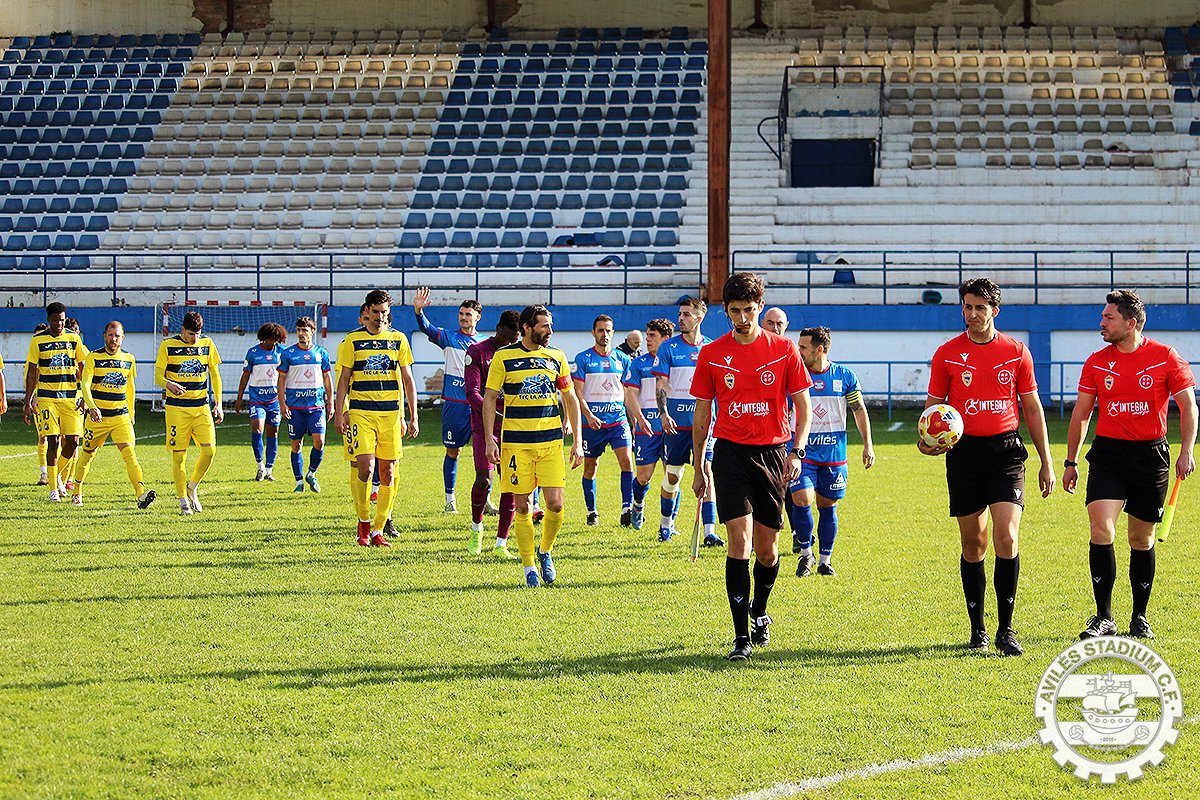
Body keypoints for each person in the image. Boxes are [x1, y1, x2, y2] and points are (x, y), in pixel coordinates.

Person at [921, 278, 1055, 656]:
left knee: (1006, 537)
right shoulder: (947, 353)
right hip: (964, 454)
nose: (973, 314)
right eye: (967, 306)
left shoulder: (1016, 351)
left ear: (995, 311)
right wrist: (928, 439)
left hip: (1005, 452)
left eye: (980, 307)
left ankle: (1006, 630)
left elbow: (1031, 408)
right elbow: (934, 409)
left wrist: (1046, 461)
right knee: (973, 543)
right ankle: (978, 628)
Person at [691, 272, 813, 661]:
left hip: (774, 455)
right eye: (734, 311)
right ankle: (741, 637)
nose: (742, 318)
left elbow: (804, 405)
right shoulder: (712, 354)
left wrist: (797, 450)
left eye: (748, 310)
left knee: (767, 551)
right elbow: (701, 413)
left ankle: (760, 610)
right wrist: (699, 465)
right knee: (739, 545)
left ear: (760, 307)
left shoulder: (784, 350)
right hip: (730, 454)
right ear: (725, 311)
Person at [1063, 290, 1197, 641]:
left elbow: (1188, 406)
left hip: (1151, 455)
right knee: (1101, 528)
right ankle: (1104, 617)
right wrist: (1071, 460)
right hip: (1108, 454)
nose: (1102, 323)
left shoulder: (1166, 357)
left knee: (1141, 537)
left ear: (1131, 322)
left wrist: (1187, 450)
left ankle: (1139, 616)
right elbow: (1082, 413)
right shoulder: (1096, 362)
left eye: (1109, 318)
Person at [483, 305, 584, 587]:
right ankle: (529, 566)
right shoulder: (504, 358)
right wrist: (490, 439)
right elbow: (490, 398)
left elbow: (570, 398)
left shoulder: (557, 357)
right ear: (527, 328)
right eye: (544, 326)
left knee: (555, 503)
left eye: (550, 326)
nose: (549, 331)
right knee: (523, 507)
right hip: (516, 446)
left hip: (551, 443)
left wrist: (577, 440)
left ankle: (545, 551)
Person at [334, 289, 419, 547]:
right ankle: (363, 522)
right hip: (361, 413)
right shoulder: (352, 341)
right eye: (375, 312)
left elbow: (407, 379)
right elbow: (344, 379)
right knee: (366, 468)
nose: (380, 317)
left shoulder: (398, 339)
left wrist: (413, 416)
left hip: (391, 415)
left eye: (384, 312)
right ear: (366, 312)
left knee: (389, 472)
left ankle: (379, 529)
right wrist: (340, 412)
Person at [790, 327, 875, 577]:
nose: (799, 351)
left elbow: (859, 410)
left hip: (834, 456)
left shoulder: (845, 376)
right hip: (802, 453)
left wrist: (867, 444)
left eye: (803, 347)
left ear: (819, 349)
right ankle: (806, 554)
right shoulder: (795, 376)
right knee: (802, 499)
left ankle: (824, 561)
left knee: (828, 506)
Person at [653, 297, 720, 545]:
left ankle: (710, 532)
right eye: (680, 314)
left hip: (705, 425)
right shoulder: (668, 348)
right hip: (676, 425)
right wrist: (663, 413)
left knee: (707, 472)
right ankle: (665, 524)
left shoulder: (712, 349)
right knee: (673, 476)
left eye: (687, 314)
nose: (681, 318)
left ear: (699, 318)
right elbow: (661, 385)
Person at [413, 287, 487, 513]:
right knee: (453, 451)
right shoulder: (449, 337)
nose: (464, 318)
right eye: (461, 314)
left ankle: (486, 500)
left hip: (480, 406)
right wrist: (418, 310)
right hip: (455, 405)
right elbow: (426, 328)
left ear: (478, 317)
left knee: (486, 453)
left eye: (468, 314)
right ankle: (449, 500)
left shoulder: (486, 343)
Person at [71, 321, 156, 509]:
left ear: (122, 338)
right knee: (87, 455)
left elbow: (130, 388)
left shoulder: (128, 359)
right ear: (104, 336)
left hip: (121, 416)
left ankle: (140, 495)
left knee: (130, 454)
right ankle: (77, 491)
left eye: (117, 335)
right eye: (110, 335)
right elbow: (85, 384)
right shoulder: (94, 357)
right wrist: (92, 407)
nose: (113, 339)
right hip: (97, 417)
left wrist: (132, 413)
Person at [463, 310, 521, 558]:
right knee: (484, 480)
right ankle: (477, 529)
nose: (510, 343)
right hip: (484, 425)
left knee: (510, 482)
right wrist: (492, 413)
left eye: (514, 339)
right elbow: (472, 391)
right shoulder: (477, 352)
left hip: (512, 427)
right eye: (507, 337)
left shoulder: (517, 355)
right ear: (498, 329)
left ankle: (501, 543)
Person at [156, 310, 225, 515]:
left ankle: (192, 486)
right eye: (190, 334)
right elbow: (158, 376)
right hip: (177, 409)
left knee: (209, 451)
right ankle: (182, 500)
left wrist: (218, 403)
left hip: (201, 407)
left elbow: (215, 375)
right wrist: (169, 384)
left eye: (198, 334)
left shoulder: (207, 344)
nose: (194, 338)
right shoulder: (168, 345)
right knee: (179, 457)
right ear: (182, 329)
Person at [573, 314, 635, 526]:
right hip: (592, 424)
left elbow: (628, 393)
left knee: (627, 462)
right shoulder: (583, 359)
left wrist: (635, 420)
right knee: (591, 467)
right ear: (593, 333)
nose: (604, 334)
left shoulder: (623, 360)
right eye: (600, 330)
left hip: (618, 421)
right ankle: (592, 512)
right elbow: (577, 393)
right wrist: (589, 416)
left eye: (608, 330)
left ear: (613, 333)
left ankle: (627, 508)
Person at [24, 302, 86, 502]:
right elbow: (32, 372)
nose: (59, 324)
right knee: (53, 441)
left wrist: (85, 396)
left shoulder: (73, 338)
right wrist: (27, 401)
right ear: (48, 320)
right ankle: (53, 490)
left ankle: (56, 475)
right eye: (55, 321)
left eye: (62, 320)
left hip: (70, 398)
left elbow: (84, 367)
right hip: (47, 398)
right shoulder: (37, 341)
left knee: (74, 442)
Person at [622, 318, 675, 531]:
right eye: (647, 335)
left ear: (666, 339)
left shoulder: (674, 361)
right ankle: (638, 503)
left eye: (652, 336)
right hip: (647, 428)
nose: (647, 340)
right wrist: (639, 418)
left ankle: (668, 523)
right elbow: (630, 395)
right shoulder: (639, 363)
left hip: (671, 427)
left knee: (672, 475)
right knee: (643, 477)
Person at [277, 316, 334, 494]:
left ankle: (311, 473)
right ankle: (299, 481)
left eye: (305, 330)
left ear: (312, 332)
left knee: (320, 441)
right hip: (295, 408)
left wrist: (330, 402)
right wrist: (282, 403)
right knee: (296, 444)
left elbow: (327, 378)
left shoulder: (321, 353)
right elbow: (281, 379)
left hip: (316, 406)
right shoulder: (288, 353)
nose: (301, 334)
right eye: (299, 330)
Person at [235, 323, 287, 481]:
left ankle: (269, 470)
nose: (274, 342)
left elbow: (287, 377)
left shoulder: (282, 354)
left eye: (277, 340)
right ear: (264, 338)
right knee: (257, 428)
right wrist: (239, 398)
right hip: (257, 400)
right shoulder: (253, 353)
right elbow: (245, 376)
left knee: (273, 432)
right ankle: (260, 466)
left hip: (274, 400)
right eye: (272, 339)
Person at [28, 323, 50, 485]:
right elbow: (29, 380)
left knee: (62, 439)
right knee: (43, 437)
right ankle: (44, 474)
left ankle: (62, 476)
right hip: (40, 401)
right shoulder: (32, 361)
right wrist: (31, 398)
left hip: (61, 400)